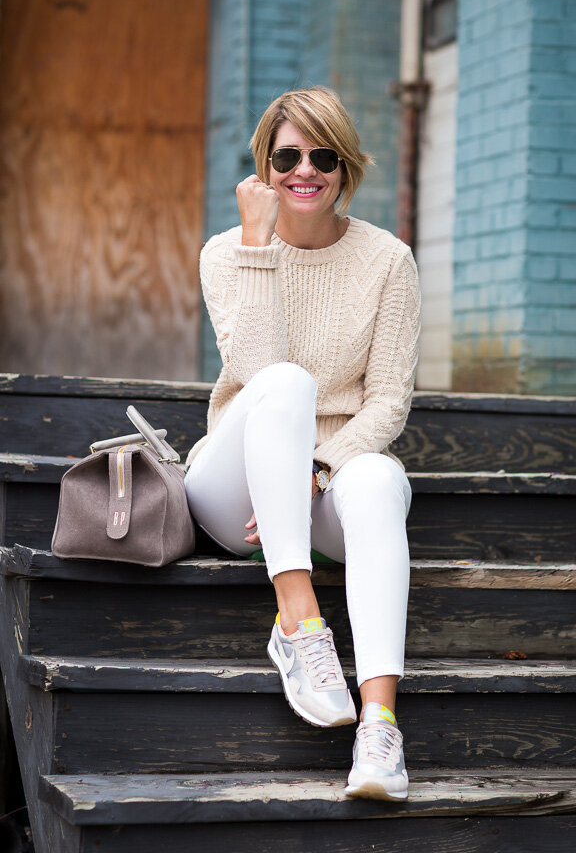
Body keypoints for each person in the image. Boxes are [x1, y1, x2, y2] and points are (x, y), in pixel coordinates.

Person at [184, 86, 421, 802]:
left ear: (345, 165)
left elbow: (388, 402)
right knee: (287, 382)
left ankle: (379, 730)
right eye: (286, 157)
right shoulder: (227, 253)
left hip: (325, 491)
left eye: (322, 156)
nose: (304, 171)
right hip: (236, 494)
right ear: (264, 166)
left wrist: (319, 469)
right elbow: (259, 375)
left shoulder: (388, 260)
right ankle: (299, 620)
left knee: (377, 479)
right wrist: (258, 245)